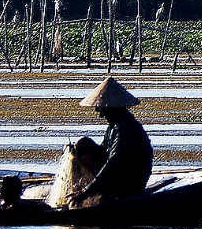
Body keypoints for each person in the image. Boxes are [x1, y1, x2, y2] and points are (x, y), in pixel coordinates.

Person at [59, 77, 153, 209]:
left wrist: (87, 192)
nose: (100, 114)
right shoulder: (113, 127)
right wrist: (76, 150)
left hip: (131, 183)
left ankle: (102, 193)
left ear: (111, 107)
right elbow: (103, 151)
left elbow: (114, 163)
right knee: (84, 143)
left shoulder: (125, 128)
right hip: (119, 176)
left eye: (101, 108)